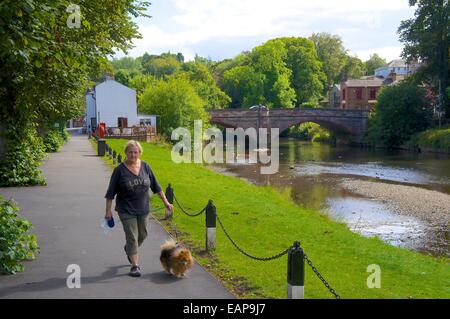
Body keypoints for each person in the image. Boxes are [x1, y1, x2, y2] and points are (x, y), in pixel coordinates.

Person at [104, 140, 173, 277]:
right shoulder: (119, 170)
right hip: (126, 209)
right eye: (130, 152)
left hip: (143, 209)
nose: (133, 154)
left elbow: (157, 187)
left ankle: (129, 248)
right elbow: (110, 192)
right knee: (132, 237)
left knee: (142, 235)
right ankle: (135, 266)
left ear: (139, 153)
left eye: (135, 152)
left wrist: (166, 202)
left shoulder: (146, 167)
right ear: (126, 153)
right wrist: (108, 211)